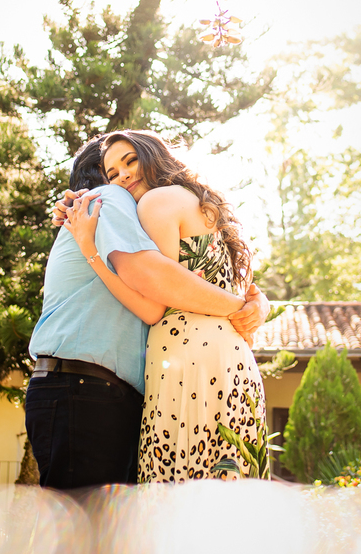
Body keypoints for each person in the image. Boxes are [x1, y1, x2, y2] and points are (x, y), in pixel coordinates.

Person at [24, 135, 268, 489]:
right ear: (98, 179)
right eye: (111, 172)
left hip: (175, 371)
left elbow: (157, 287)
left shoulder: (144, 204)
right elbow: (158, 282)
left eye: (129, 161)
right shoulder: (113, 201)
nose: (121, 177)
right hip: (91, 386)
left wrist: (253, 305)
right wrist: (247, 307)